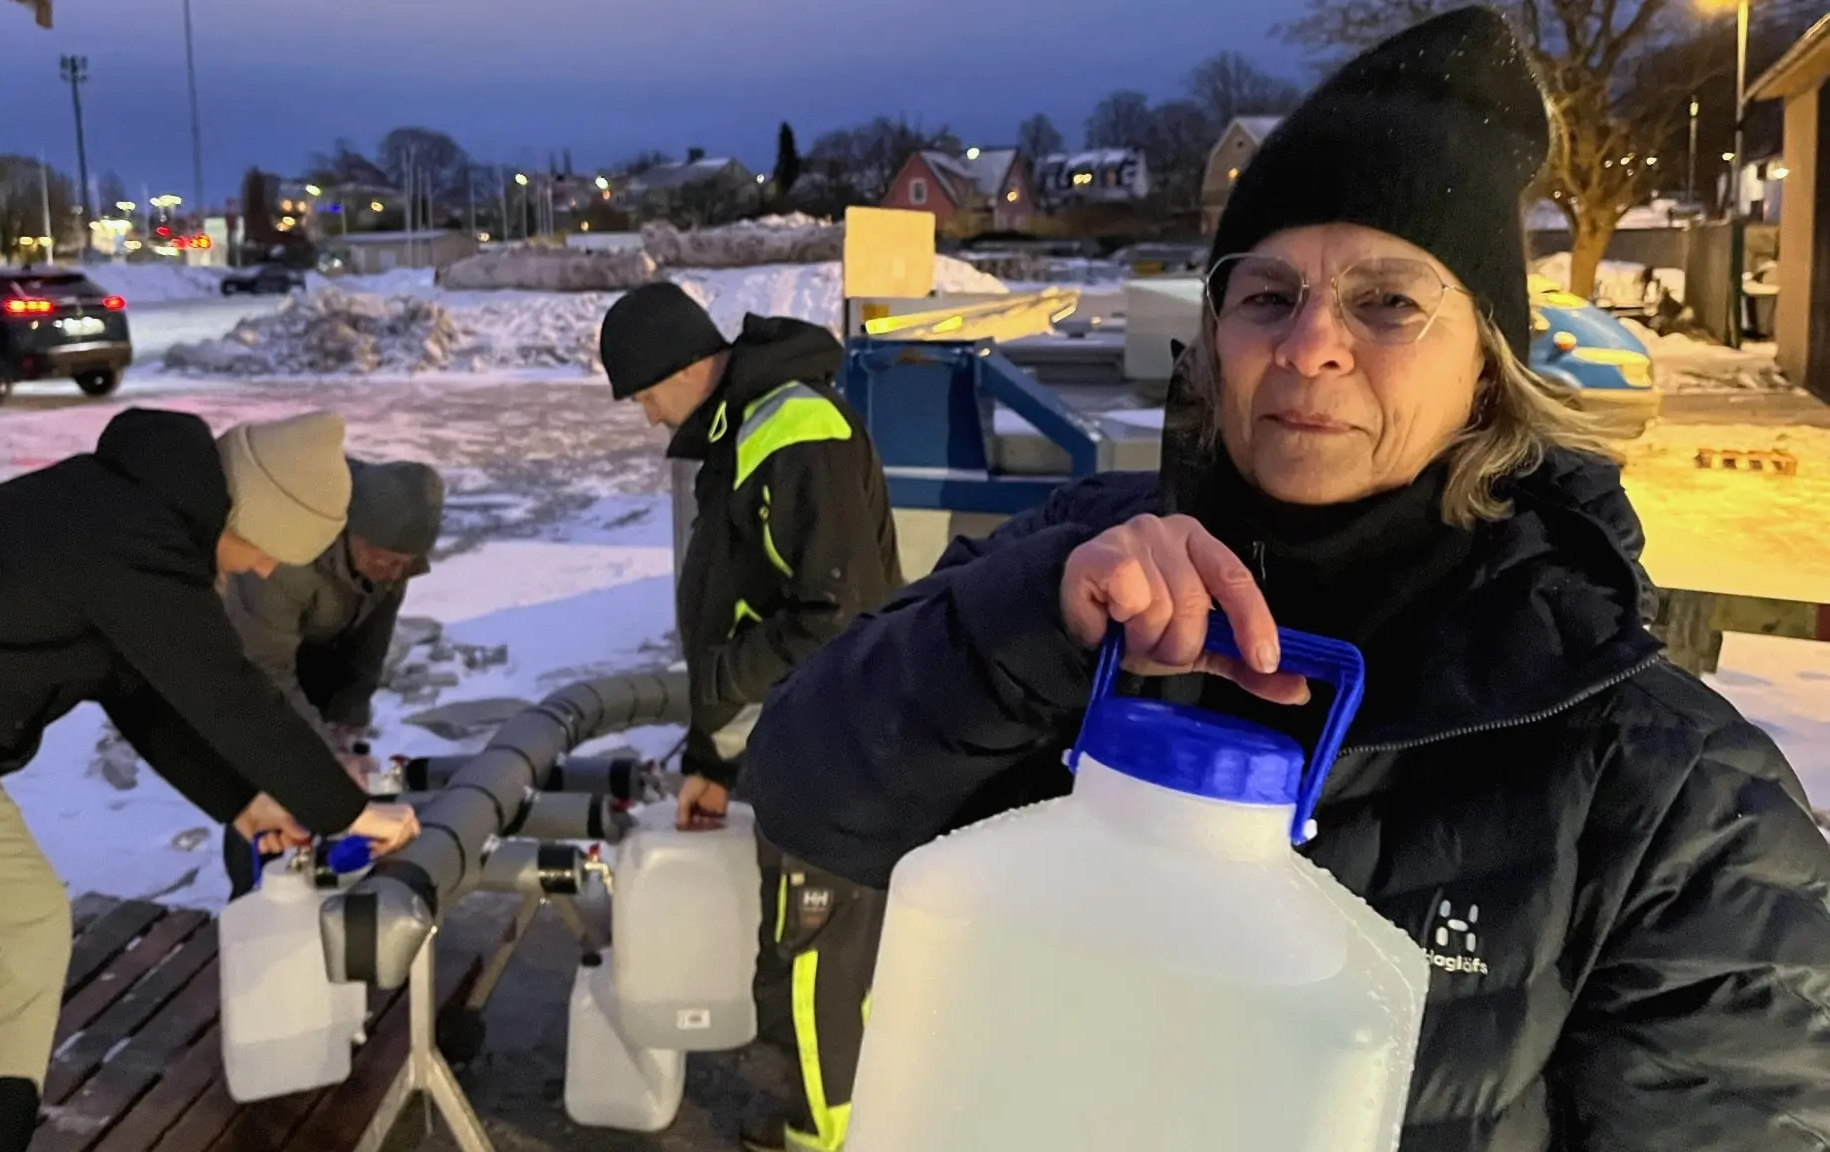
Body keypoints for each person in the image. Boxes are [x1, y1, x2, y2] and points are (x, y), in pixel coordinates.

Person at [739, 10, 1830, 1151]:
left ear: (1488, 372)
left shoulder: (1665, 790)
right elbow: (811, 793)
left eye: (1386, 301)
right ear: (1213, 341)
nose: (1310, 343)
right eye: (1264, 295)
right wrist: (1034, 629)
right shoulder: (1075, 575)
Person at [0, 409, 422, 1152]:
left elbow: (139, 693)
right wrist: (346, 811)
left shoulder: (126, 512)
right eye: (270, 548)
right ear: (253, 509)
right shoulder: (132, 545)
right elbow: (227, 691)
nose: (266, 568)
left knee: (28, 927)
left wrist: (241, 803)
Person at [598, 282, 903, 1152]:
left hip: (846, 745)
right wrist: (712, 758)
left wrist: (723, 683)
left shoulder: (792, 433)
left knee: (818, 953)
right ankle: (860, 1104)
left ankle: (830, 1136)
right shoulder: (742, 435)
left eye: (647, 393)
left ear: (686, 367)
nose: (650, 417)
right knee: (827, 949)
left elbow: (830, 616)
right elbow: (741, 607)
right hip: (805, 738)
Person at [220, 457, 446, 897]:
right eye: (384, 562)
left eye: (405, 564)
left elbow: (370, 644)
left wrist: (346, 722)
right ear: (351, 534)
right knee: (265, 775)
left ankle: (318, 884)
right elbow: (263, 672)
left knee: (328, 777)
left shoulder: (391, 551)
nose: (394, 574)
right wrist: (324, 754)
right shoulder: (289, 559)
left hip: (317, 644)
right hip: (247, 655)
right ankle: (250, 895)